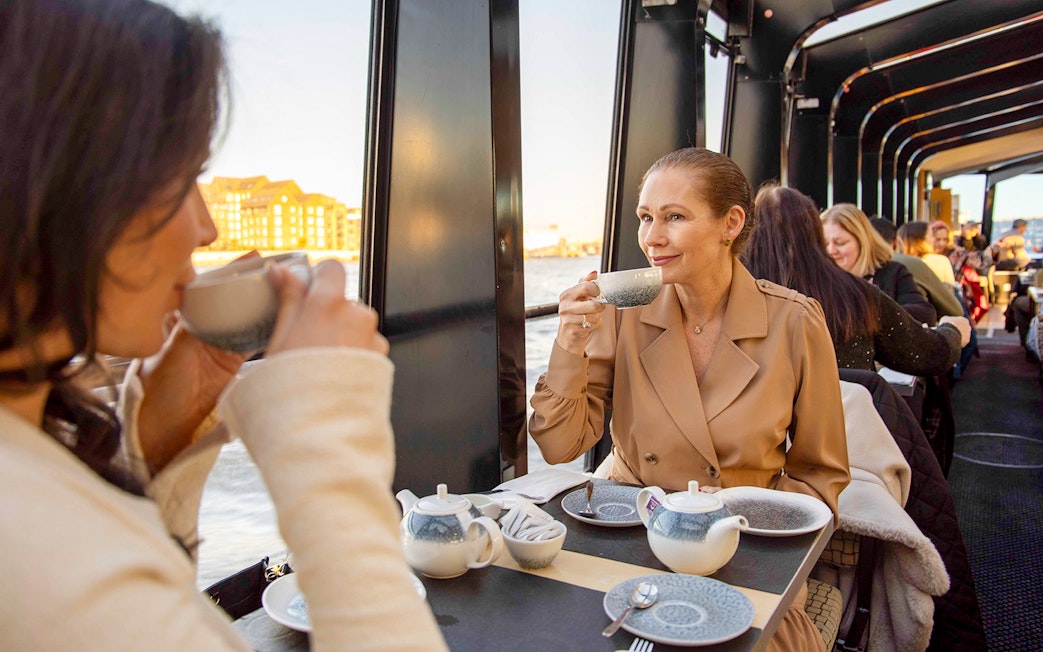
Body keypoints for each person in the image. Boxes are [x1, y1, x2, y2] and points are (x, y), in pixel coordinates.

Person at [0, 2, 446, 650]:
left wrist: (159, 446)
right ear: (50, 181)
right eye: (182, 179)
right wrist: (325, 444)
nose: (205, 228)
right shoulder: (38, 560)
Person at [529, 148, 849, 652]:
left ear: (731, 223)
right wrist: (569, 343)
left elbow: (820, 475)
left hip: (744, 551)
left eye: (674, 217)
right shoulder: (625, 311)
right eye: (645, 217)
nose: (652, 237)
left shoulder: (793, 322)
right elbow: (560, 445)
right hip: (628, 537)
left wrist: (747, 540)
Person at [744, 185, 970, 376]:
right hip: (840, 421)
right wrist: (952, 331)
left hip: (751, 425)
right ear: (815, 233)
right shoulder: (856, 294)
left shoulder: (730, 291)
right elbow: (924, 353)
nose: (833, 250)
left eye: (840, 242)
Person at [820, 204, 938, 324]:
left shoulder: (892, 272)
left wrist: (869, 312)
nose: (831, 250)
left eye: (840, 243)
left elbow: (925, 313)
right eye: (824, 244)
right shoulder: (817, 278)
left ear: (862, 242)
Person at [865, 216, 966, 320]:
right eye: (933, 236)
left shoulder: (858, 266)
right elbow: (955, 309)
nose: (936, 241)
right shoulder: (919, 263)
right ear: (895, 242)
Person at [897, 221, 958, 286]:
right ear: (920, 240)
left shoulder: (895, 261)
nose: (934, 240)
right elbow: (950, 290)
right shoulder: (940, 261)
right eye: (932, 236)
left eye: (945, 239)